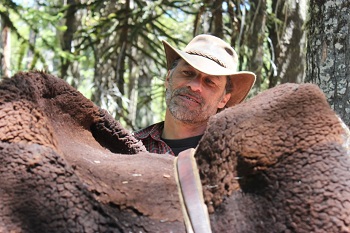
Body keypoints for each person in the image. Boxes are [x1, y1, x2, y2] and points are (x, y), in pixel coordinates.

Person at [134, 34, 256, 156]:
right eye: (187, 73)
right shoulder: (129, 147)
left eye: (210, 82)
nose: (195, 86)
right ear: (168, 78)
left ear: (224, 100)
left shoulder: (234, 156)